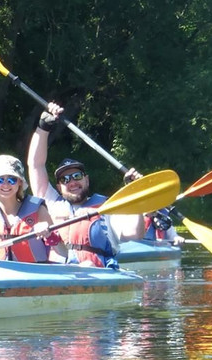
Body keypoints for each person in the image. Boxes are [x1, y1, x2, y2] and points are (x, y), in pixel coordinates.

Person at [28, 102, 144, 268]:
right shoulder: (53, 205)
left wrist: (134, 193)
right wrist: (43, 127)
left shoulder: (107, 207)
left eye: (77, 176)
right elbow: (35, 165)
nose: (72, 182)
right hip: (60, 273)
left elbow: (135, 233)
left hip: (97, 273)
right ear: (59, 187)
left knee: (88, 264)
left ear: (87, 179)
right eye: (65, 179)